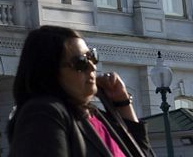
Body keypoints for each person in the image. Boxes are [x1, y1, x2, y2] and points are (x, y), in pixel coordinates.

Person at [8, 25, 152, 157]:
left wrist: (122, 102)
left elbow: (141, 153)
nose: (93, 67)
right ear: (49, 71)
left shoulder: (93, 115)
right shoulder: (42, 113)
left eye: (92, 57)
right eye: (81, 62)